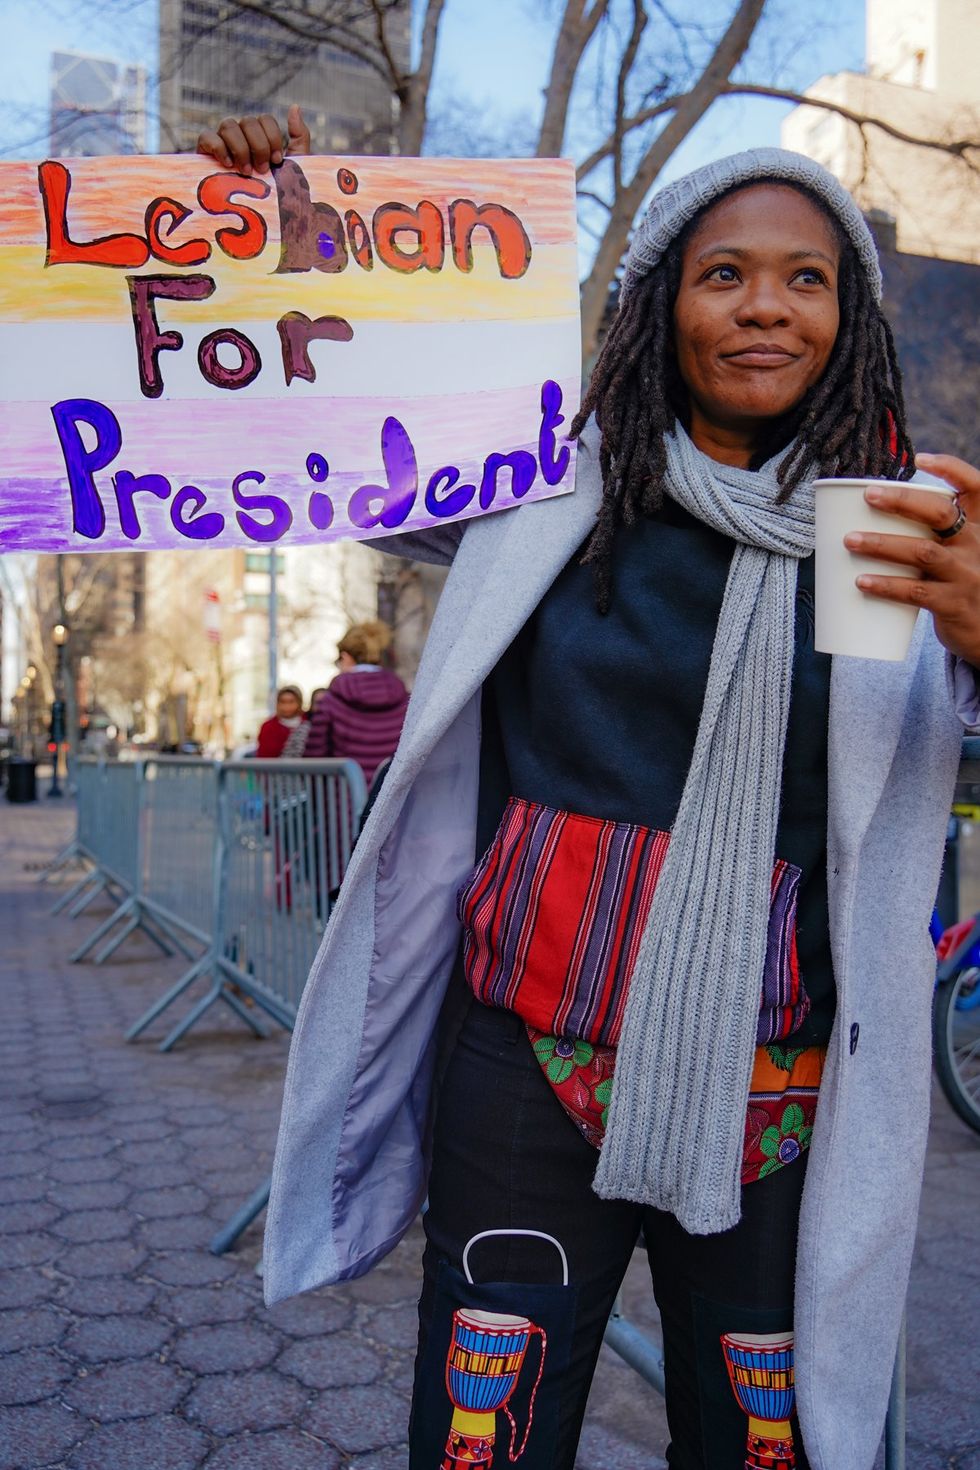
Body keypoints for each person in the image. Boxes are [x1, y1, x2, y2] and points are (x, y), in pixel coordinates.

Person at [200, 120, 980, 1470]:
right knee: (483, 1439)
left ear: (849, 320)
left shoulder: (889, 533)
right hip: (526, 1065)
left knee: (760, 1444)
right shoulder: (543, 487)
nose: (765, 309)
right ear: (659, 300)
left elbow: (916, 761)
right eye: (723, 272)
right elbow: (308, 422)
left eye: (808, 280)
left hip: (776, 1089)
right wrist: (265, 226)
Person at [303, 620, 408, 786]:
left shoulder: (331, 701)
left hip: (345, 803)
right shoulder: (405, 700)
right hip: (392, 802)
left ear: (345, 657)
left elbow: (314, 757)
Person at [255, 684, 305, 758]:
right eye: (283, 702)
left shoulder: (309, 724)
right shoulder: (268, 727)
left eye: (291, 702)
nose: (286, 706)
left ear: (299, 703)